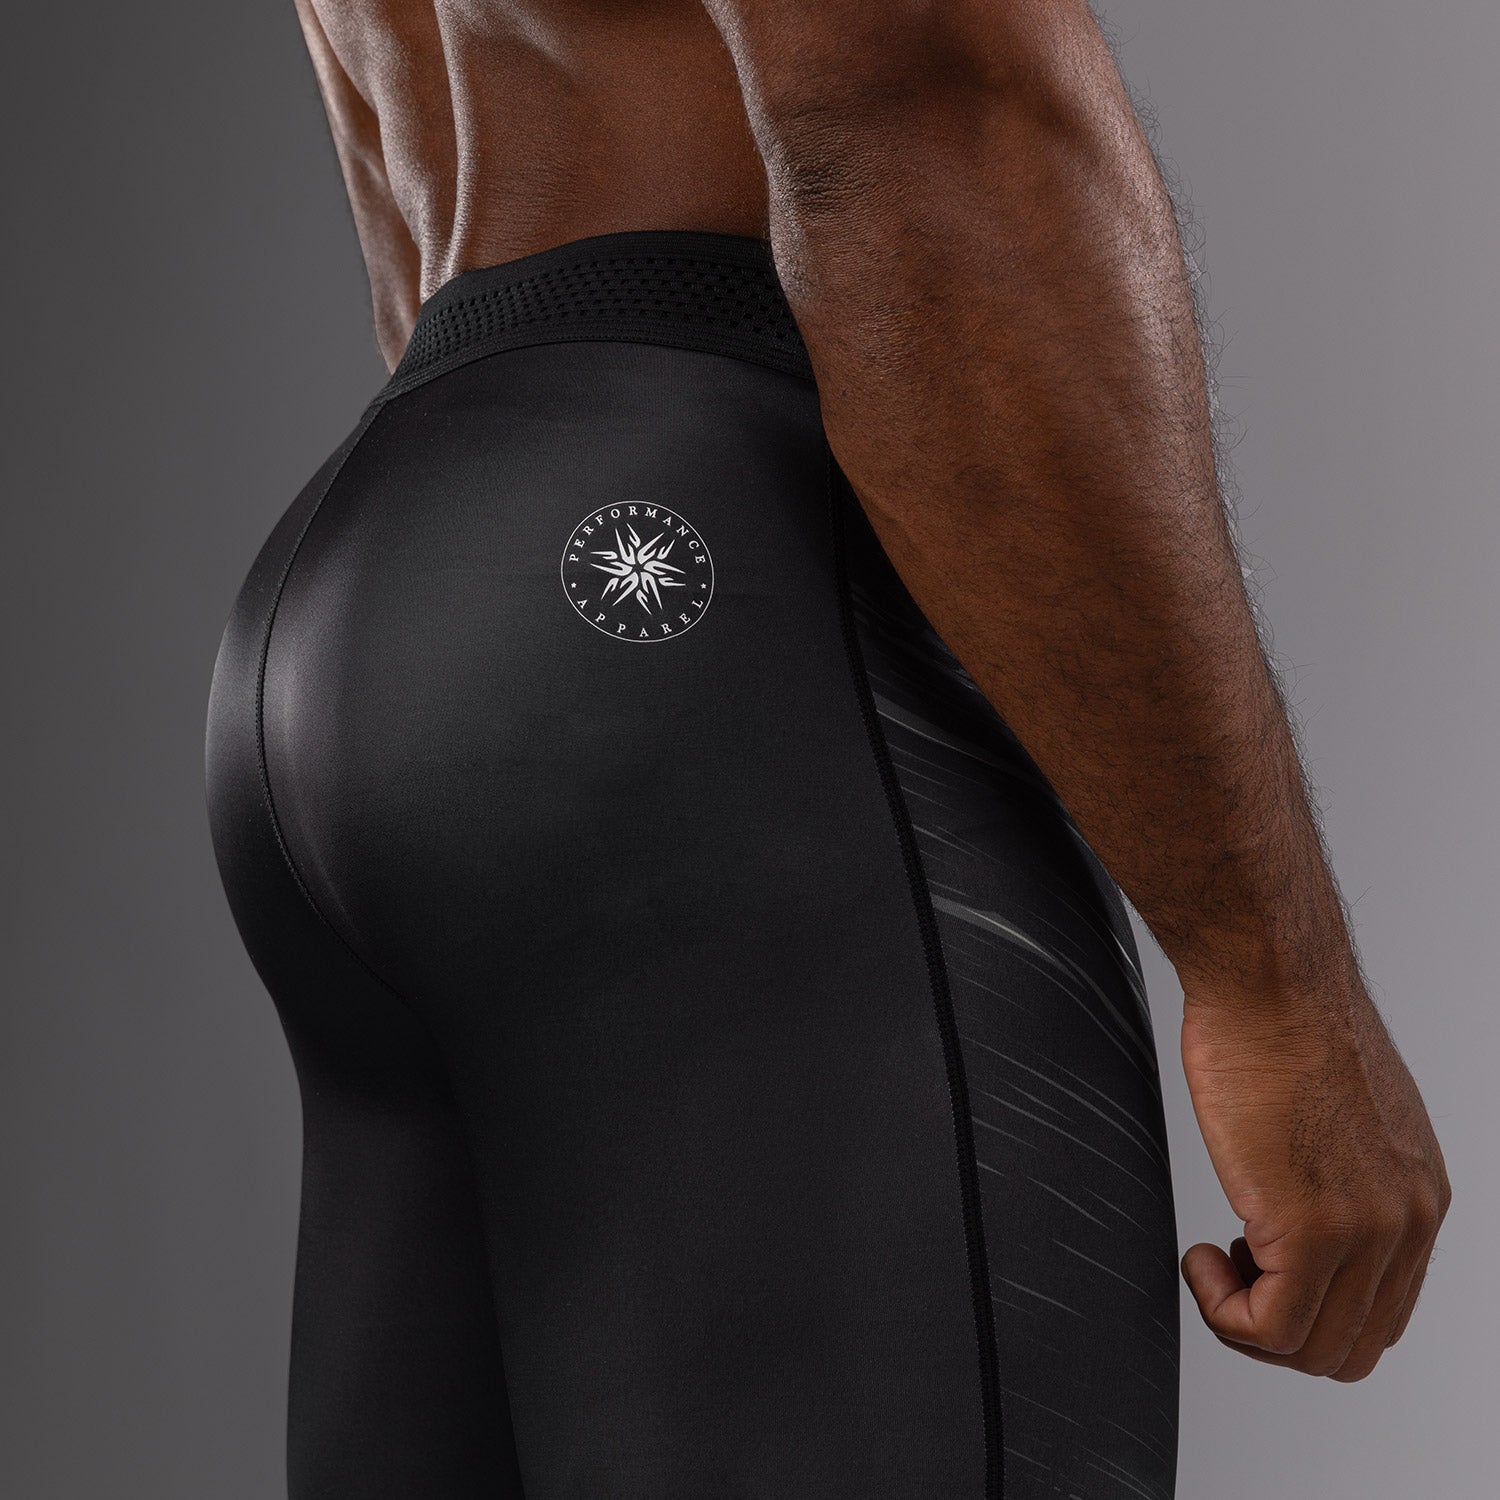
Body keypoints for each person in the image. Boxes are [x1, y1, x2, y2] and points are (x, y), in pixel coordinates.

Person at [204, 2, 1451, 1496]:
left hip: (390, 573)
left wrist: (515, 635)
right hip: (727, 585)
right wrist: (1275, 987)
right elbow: (918, 77)